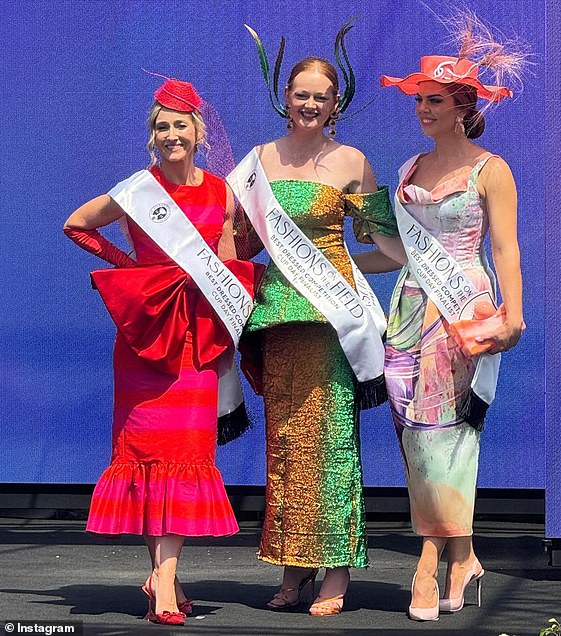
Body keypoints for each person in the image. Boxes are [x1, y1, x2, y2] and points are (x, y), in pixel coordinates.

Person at [63, 78, 261, 625]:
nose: (171, 135)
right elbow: (77, 224)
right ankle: (164, 576)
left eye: (180, 125)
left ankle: (165, 576)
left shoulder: (222, 192)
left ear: (198, 132)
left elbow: (223, 266)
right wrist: (134, 274)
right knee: (150, 456)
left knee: (186, 454)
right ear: (153, 137)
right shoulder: (137, 189)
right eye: (161, 127)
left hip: (195, 340)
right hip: (146, 339)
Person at [227, 23, 403, 616]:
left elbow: (388, 247)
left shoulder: (353, 161)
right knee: (286, 448)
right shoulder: (257, 164)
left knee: (330, 447)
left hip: (333, 323)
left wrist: (346, 269)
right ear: (286, 97)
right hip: (278, 318)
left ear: (336, 102)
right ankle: (292, 568)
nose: (308, 104)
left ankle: (334, 577)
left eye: (319, 96)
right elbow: (239, 243)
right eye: (299, 94)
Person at [367, 15, 527, 622]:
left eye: (434, 100)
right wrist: (340, 257)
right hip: (408, 308)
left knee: (446, 431)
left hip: (462, 312)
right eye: (419, 99)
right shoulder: (408, 169)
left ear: (462, 105)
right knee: (413, 432)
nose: (423, 109)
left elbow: (506, 248)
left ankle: (427, 563)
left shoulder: (492, 170)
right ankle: (465, 555)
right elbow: (396, 253)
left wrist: (514, 315)